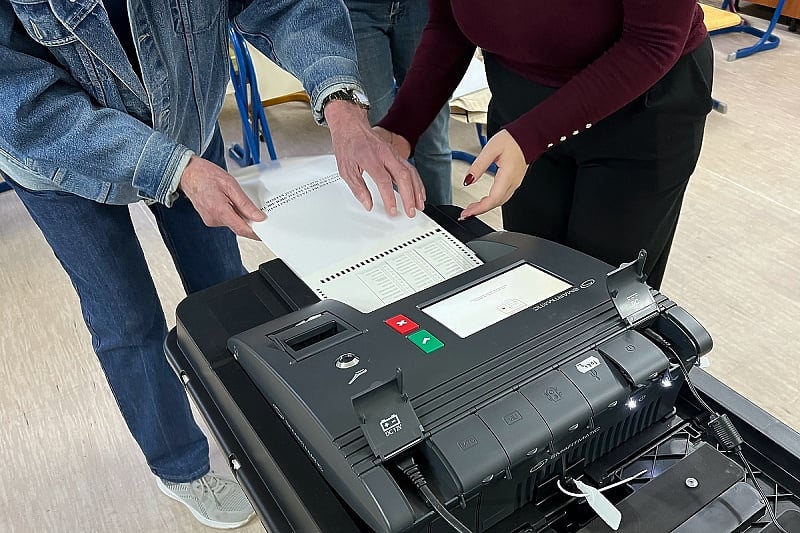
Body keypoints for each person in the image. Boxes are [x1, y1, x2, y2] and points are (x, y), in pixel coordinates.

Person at [0, 0, 422, 529]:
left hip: (186, 120)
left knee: (225, 291)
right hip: (61, 161)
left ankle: (261, 426)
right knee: (126, 318)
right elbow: (17, 99)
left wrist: (341, 102)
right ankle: (179, 465)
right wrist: (171, 167)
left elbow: (285, 4)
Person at [357, 0, 714, 289]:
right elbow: (450, 24)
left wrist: (531, 136)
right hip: (522, 111)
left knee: (604, 291)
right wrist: (400, 127)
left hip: (638, 108)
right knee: (532, 273)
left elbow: (654, 42)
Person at [344, 0, 453, 206]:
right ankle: (399, 220)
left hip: (423, 6)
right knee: (381, 140)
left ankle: (444, 219)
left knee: (433, 137)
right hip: (355, 9)